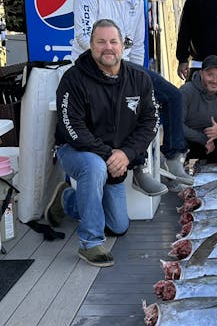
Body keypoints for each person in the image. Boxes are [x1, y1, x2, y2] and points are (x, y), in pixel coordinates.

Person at [71, 0, 192, 192]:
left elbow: (137, 46)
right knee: (126, 109)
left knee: (172, 96)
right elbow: (85, 38)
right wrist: (112, 70)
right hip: (91, 69)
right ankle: (138, 168)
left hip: (124, 67)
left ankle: (172, 157)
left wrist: (133, 79)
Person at [45, 19, 159, 267]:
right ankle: (90, 243)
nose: (108, 47)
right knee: (94, 167)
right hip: (76, 151)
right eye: (101, 42)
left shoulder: (139, 79)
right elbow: (70, 127)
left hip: (117, 157)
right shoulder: (73, 78)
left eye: (113, 41)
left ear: (122, 46)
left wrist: (127, 154)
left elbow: (151, 122)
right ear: (91, 45)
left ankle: (68, 201)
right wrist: (110, 155)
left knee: (118, 225)